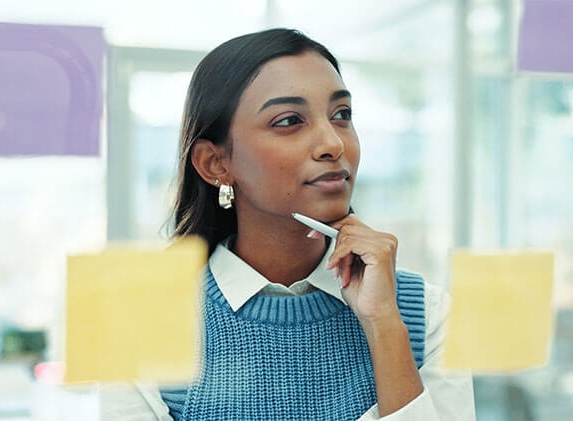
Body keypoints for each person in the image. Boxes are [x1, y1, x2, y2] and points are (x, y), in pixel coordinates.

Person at [107, 27, 474, 420]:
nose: (333, 143)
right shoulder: (142, 326)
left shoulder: (425, 313)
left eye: (341, 115)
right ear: (215, 164)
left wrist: (384, 324)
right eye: (288, 121)